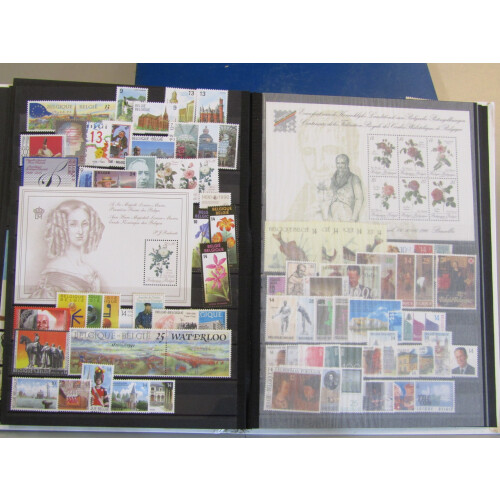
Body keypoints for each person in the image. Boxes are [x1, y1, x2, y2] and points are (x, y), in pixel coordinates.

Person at [30, 200, 105, 298]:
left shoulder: (89, 270)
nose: (80, 231)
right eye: (73, 224)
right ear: (62, 228)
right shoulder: (55, 271)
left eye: (85, 224)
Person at [327, 154, 364, 221]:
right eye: (338, 163)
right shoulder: (333, 179)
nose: (340, 166)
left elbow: (359, 199)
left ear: (347, 164)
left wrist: (354, 218)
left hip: (347, 214)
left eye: (342, 163)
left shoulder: (354, 178)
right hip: (333, 215)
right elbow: (329, 197)